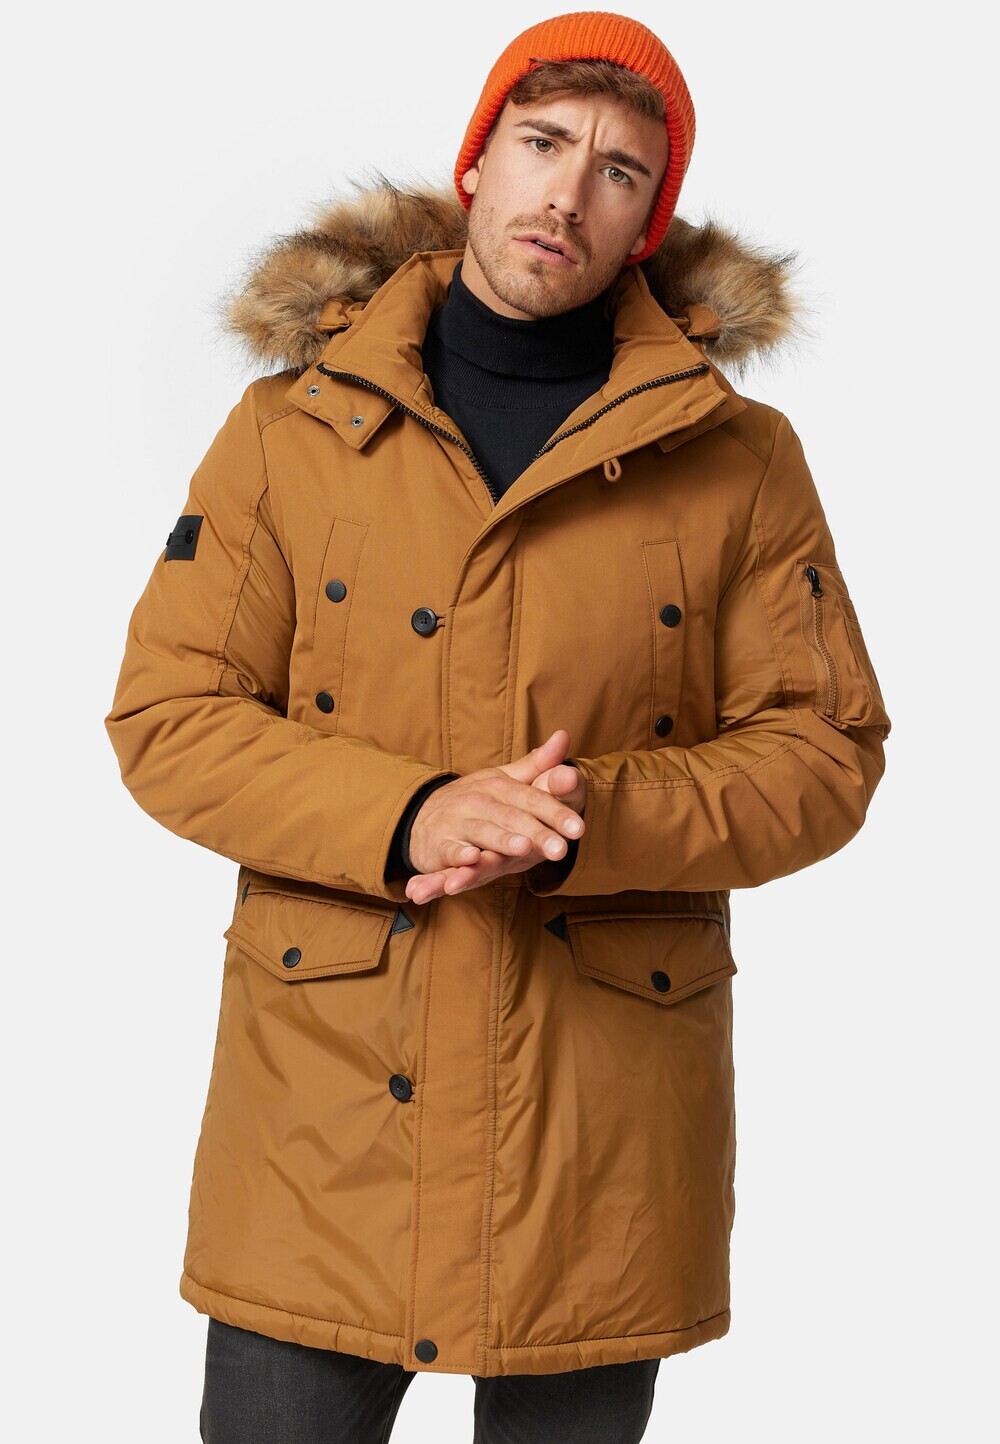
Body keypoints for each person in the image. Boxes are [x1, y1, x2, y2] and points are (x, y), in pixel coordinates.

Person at [104, 10, 892, 1442]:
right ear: (477, 163)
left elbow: (825, 751)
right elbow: (172, 716)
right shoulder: (290, 429)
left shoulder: (736, 458)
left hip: (595, 1148)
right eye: (542, 144)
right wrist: (410, 814)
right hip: (322, 1138)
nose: (568, 194)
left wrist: (588, 819)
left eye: (619, 171)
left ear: (650, 221)